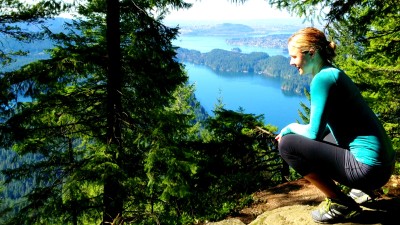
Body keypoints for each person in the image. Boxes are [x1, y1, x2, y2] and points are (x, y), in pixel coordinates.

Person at [275, 27, 396, 224]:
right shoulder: (332, 73)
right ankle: (363, 190)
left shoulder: (322, 80)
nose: (291, 62)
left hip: (367, 169)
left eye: (294, 56)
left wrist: (289, 128)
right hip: (382, 166)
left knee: (287, 145)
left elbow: (313, 132)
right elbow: (328, 127)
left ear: (311, 53)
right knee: (314, 137)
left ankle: (340, 202)